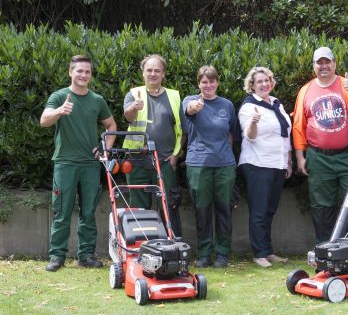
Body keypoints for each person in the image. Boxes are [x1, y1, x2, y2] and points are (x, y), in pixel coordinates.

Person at [40, 55, 117, 272]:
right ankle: (57, 257)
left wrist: (105, 149)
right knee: (61, 211)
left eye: (87, 72)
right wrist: (59, 111)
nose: (83, 75)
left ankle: (86, 256)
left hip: (91, 165)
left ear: (91, 75)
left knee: (88, 212)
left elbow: (111, 126)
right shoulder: (59, 96)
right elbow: (43, 121)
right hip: (65, 163)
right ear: (70, 72)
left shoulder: (97, 100)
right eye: (79, 71)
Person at [292, 46, 348, 243]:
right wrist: (300, 157)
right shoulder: (305, 90)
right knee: (321, 205)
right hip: (318, 157)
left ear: (335, 64)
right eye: (320, 62)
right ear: (314, 66)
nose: (324, 66)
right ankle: (324, 249)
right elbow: (298, 126)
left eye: (328, 62)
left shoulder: (347, 84)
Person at [182, 65, 237, 268]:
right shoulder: (190, 100)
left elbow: (231, 134)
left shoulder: (227, 105)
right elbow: (189, 110)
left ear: (217, 82)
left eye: (212, 81)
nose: (208, 85)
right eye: (204, 82)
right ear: (199, 84)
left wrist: (228, 155)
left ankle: (222, 253)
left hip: (225, 165)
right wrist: (195, 107)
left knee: (224, 209)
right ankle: (204, 253)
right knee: (202, 210)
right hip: (198, 164)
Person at [238, 67, 292, 268]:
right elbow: (249, 136)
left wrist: (288, 161)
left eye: (267, 80)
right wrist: (253, 123)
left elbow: (285, 134)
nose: (264, 84)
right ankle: (259, 253)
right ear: (251, 85)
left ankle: (268, 251)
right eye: (259, 81)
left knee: (269, 211)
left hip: (277, 164)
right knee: (259, 211)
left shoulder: (277, 103)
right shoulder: (248, 107)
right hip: (257, 163)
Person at [123, 54, 182, 236]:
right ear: (143, 73)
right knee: (139, 208)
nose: (153, 74)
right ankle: (142, 246)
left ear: (163, 74)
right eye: (149, 70)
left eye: (157, 70)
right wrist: (134, 107)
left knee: (169, 205)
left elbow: (182, 130)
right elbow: (128, 117)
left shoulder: (174, 96)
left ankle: (173, 245)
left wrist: (176, 156)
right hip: (137, 161)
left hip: (165, 161)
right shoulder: (133, 94)